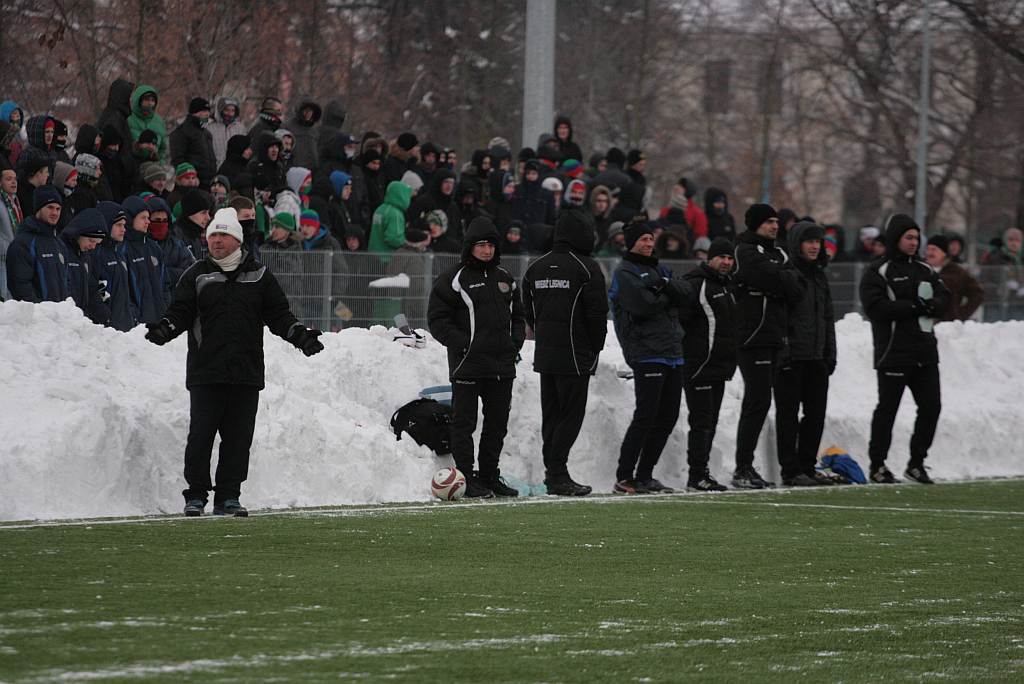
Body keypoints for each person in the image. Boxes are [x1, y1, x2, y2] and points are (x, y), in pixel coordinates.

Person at [145, 207, 324, 517]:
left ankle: (229, 496)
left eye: (223, 235)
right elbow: (179, 313)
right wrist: (165, 329)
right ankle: (196, 495)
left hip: (246, 372)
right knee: (201, 436)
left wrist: (301, 337)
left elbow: (280, 316)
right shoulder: (197, 274)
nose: (216, 240)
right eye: (213, 234)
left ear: (237, 240)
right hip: (206, 371)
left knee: (238, 440)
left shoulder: (260, 276)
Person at [427, 217, 526, 499]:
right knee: (464, 424)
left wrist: (514, 343)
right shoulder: (453, 279)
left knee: (497, 424)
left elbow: (518, 316)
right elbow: (437, 319)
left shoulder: (506, 278)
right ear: (471, 246)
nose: (487, 250)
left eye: (491, 245)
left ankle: (490, 476)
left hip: (501, 367)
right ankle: (467, 477)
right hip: (467, 365)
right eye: (481, 245)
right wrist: (464, 344)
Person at [859, 214, 950, 484]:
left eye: (916, 237)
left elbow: (945, 296)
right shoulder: (878, 270)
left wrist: (933, 305)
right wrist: (912, 306)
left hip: (924, 352)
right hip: (893, 354)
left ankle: (917, 462)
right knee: (888, 409)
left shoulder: (926, 270)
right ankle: (877, 465)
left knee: (931, 407)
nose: (914, 242)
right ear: (895, 238)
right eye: (908, 237)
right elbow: (875, 308)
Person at [522, 207, 607, 496]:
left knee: (552, 415)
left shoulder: (536, 266)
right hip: (576, 355)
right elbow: (597, 314)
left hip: (547, 354)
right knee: (570, 416)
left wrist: (544, 334)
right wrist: (595, 347)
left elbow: (528, 311)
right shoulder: (587, 268)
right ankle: (557, 473)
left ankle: (554, 471)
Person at [608, 220, 691, 494]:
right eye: (643, 239)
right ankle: (624, 476)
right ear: (631, 242)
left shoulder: (659, 269)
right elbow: (642, 305)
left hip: (672, 353)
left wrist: (663, 286)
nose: (648, 243)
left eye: (650, 238)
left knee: (667, 417)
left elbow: (686, 293)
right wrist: (668, 291)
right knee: (646, 415)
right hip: (646, 353)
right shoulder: (624, 272)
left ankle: (645, 475)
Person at [731, 203, 802, 489]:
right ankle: (742, 467)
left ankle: (747, 466)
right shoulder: (745, 249)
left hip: (774, 336)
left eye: (776, 221)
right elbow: (763, 276)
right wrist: (778, 281)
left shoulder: (781, 253)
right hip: (752, 337)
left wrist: (777, 281)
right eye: (769, 222)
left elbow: (795, 287)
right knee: (757, 400)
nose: (775, 226)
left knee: (763, 401)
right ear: (756, 224)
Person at [774, 222, 837, 487]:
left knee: (816, 414)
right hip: (792, 358)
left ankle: (807, 466)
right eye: (809, 241)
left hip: (817, 358)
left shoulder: (819, 276)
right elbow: (780, 317)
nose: (814, 247)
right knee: (788, 415)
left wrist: (829, 354)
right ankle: (790, 470)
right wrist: (785, 352)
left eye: (817, 242)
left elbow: (827, 317)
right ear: (797, 243)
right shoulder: (787, 274)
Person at [679, 238, 737, 492]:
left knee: (710, 422)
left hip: (719, 367)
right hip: (699, 366)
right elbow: (681, 322)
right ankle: (696, 476)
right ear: (709, 258)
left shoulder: (727, 286)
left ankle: (703, 472)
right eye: (721, 257)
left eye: (729, 258)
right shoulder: (697, 284)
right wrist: (691, 355)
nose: (726, 262)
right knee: (701, 422)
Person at [5, 185, 68, 302]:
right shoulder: (23, 243)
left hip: (59, 317)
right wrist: (40, 312)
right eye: (50, 207)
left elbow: (66, 283)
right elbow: (20, 286)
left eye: (58, 209)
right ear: (38, 209)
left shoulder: (59, 244)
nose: (55, 213)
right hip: (37, 318)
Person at [90, 201, 136, 331]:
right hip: (108, 330)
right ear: (106, 224)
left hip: (126, 325)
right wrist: (106, 317)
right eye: (118, 225)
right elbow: (96, 291)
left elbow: (127, 290)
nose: (124, 229)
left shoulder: (119, 253)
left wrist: (132, 314)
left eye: (124, 225)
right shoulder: (95, 254)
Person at [121, 196, 166, 324]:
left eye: (148, 217)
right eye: (143, 218)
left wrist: (166, 307)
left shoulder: (154, 248)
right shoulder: (122, 249)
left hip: (160, 319)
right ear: (130, 219)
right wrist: (134, 316)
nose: (148, 222)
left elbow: (166, 284)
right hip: (138, 326)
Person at [61, 208, 109, 323]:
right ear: (78, 233)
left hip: (82, 319)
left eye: (97, 243)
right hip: (65, 318)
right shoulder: (62, 250)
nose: (93, 246)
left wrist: (103, 312)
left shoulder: (85, 255)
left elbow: (91, 287)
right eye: (91, 241)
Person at [144, 196, 195, 302]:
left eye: (165, 220)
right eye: (157, 221)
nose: (161, 224)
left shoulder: (176, 244)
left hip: (174, 302)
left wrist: (165, 273)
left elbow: (191, 270)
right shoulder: (142, 244)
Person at [925, 235, 983, 321]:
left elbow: (977, 294)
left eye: (934, 249)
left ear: (944, 252)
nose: (929, 253)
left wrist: (960, 314)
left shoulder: (957, 272)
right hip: (922, 324)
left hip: (947, 325)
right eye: (928, 249)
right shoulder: (920, 268)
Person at [169, 97, 217, 187]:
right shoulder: (182, 132)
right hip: (192, 183)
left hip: (209, 183)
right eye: (203, 111)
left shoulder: (207, 133)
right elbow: (178, 160)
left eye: (208, 111)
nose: (207, 114)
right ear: (194, 112)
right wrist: (190, 179)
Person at [127, 84, 168, 163]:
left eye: (153, 100)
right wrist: (138, 146)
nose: (150, 103)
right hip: (133, 166)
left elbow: (163, 148)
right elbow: (124, 146)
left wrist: (159, 161)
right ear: (138, 100)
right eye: (146, 100)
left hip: (153, 167)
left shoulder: (159, 121)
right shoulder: (129, 119)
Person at [207, 97, 244, 169]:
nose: (230, 114)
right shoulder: (210, 128)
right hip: (215, 168)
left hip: (235, 169)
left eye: (232, 110)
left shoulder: (240, 128)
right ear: (220, 110)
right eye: (226, 110)